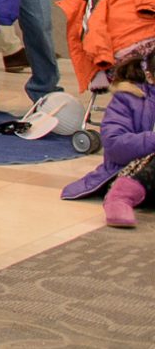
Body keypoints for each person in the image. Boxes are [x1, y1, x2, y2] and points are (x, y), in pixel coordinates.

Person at [61, 49, 152, 226]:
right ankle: (120, 197)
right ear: (149, 75)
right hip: (136, 173)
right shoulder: (129, 98)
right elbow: (114, 146)